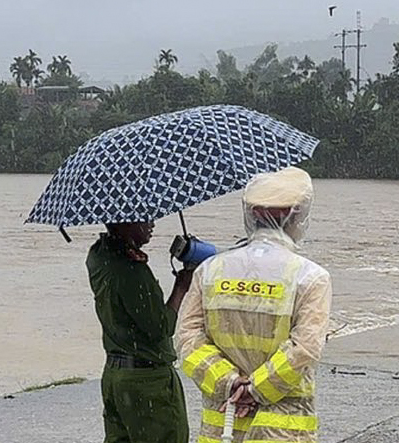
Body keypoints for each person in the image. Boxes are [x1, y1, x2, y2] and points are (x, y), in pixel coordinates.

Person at [176, 167, 332, 443]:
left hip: (221, 426)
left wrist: (229, 382)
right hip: (283, 432)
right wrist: (255, 389)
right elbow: (305, 349)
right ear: (296, 215)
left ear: (251, 214)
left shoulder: (210, 271)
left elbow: (188, 341)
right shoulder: (311, 277)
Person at [87, 221, 194, 443]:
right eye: (144, 219)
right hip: (147, 381)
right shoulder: (131, 270)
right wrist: (181, 286)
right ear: (123, 223)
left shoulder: (98, 255)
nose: (152, 223)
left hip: (115, 375)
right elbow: (161, 328)